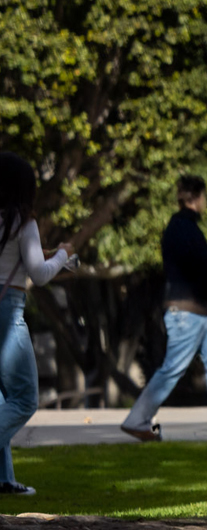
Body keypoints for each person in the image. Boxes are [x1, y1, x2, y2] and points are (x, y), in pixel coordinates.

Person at [121, 176, 207, 442]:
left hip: (199, 313)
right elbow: (194, 269)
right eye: (203, 197)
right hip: (187, 313)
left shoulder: (184, 227)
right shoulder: (181, 228)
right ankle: (137, 419)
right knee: (172, 368)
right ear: (196, 198)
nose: (205, 203)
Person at [0, 153, 72, 494]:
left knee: (1, 402)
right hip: (7, 311)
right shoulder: (22, 223)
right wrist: (61, 255)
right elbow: (40, 275)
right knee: (25, 399)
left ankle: (3, 480)